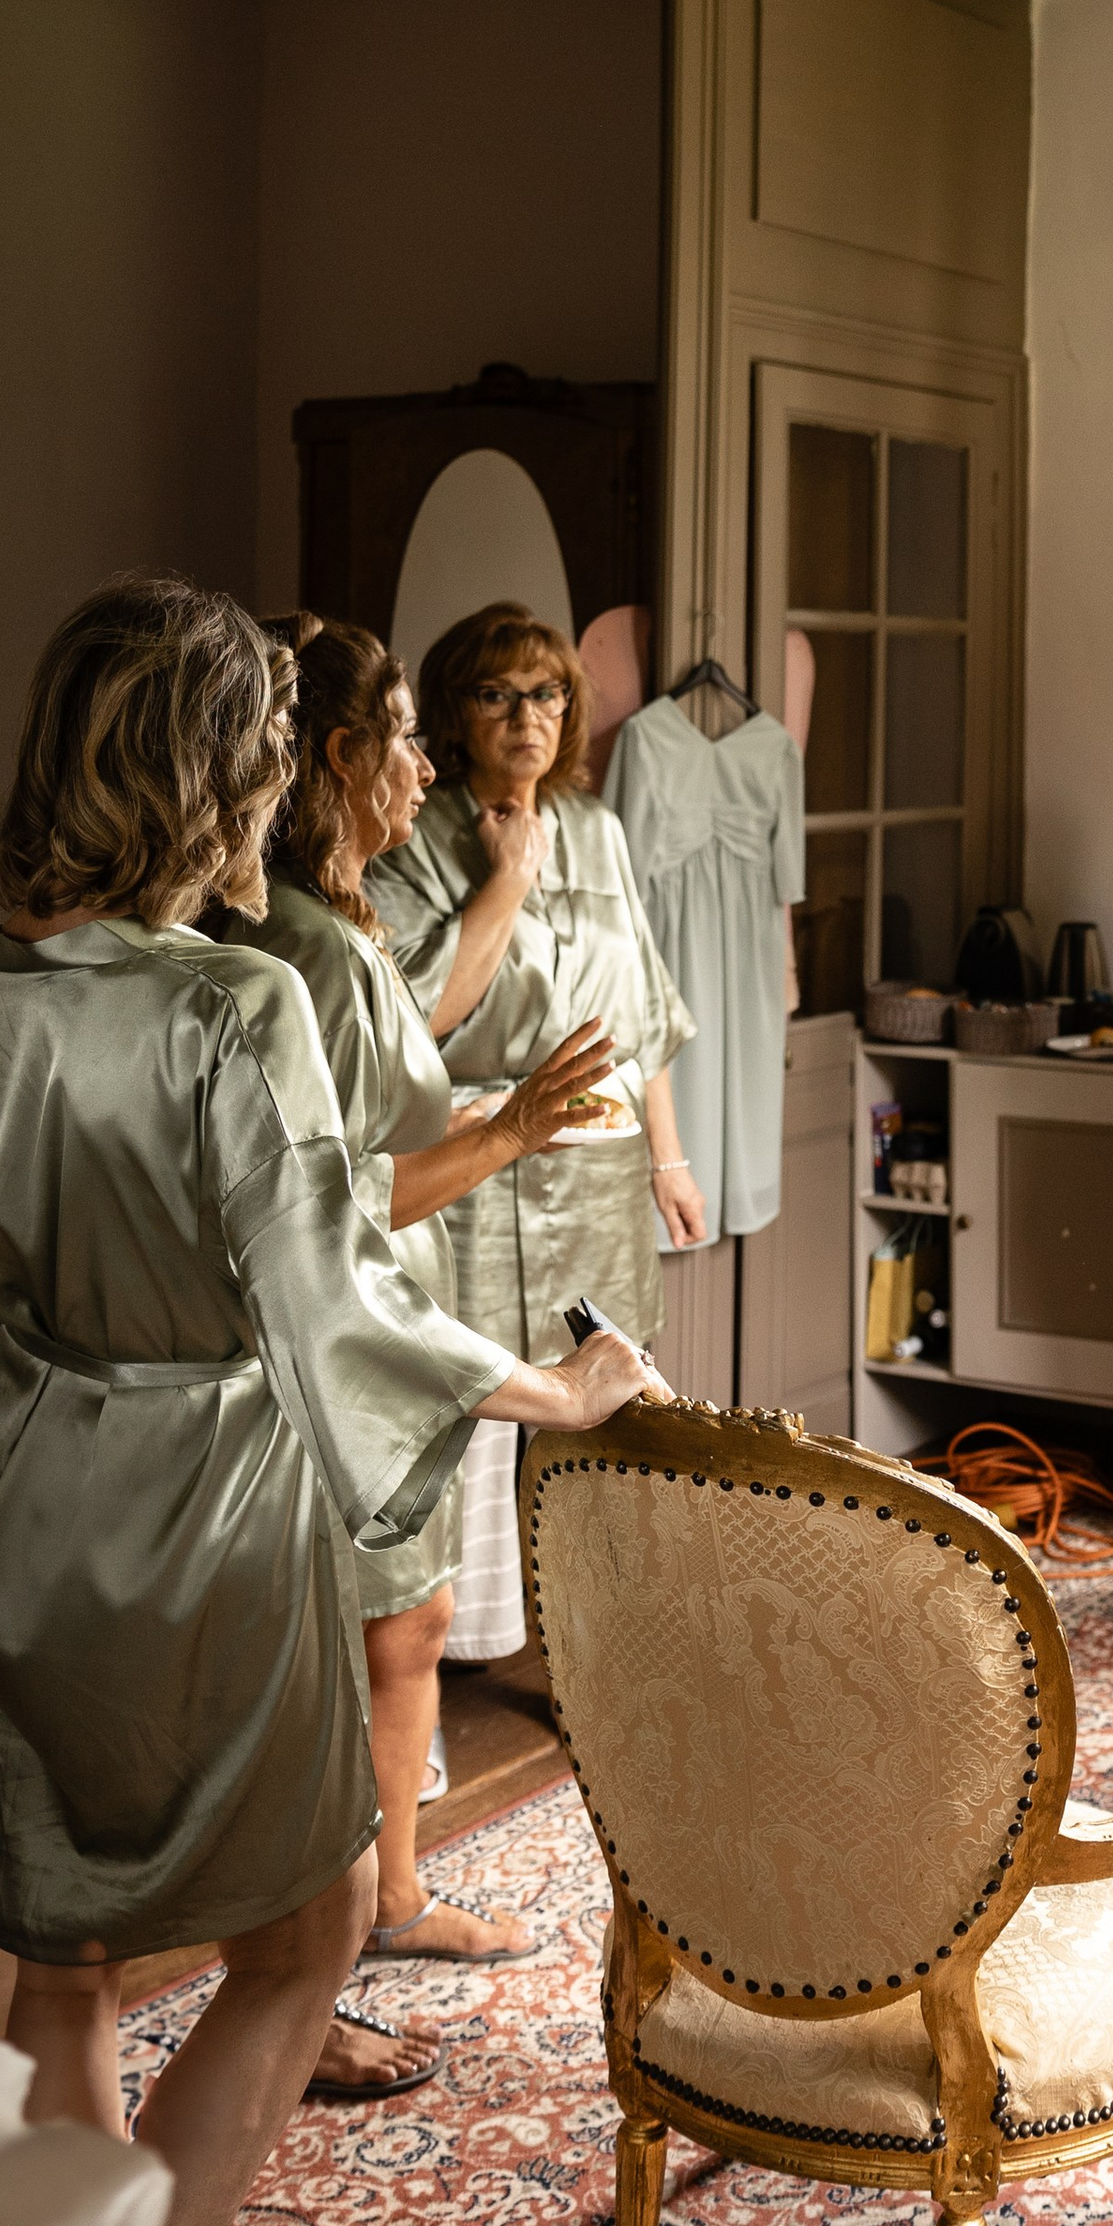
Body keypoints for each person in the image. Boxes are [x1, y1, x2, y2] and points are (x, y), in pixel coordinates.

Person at [0, 576, 655, 2226]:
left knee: (58, 1951)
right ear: (220, 776)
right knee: (308, 1935)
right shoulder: (236, 1003)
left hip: (11, 1477)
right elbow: (326, 1301)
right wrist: (551, 1392)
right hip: (196, 1490)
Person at [242, 614, 621, 2092]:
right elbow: (359, 1198)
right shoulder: (318, 950)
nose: (422, 762)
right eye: (405, 733)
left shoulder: (330, 922)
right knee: (351, 1652)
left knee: (404, 1631)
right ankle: (303, 1989)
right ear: (339, 761)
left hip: (375, 1320)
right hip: (355, 1332)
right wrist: (514, 1129)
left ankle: (385, 1903)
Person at [371, 605, 703, 1654]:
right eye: (496, 694)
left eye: (549, 693)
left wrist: (670, 1159)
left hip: (597, 1170)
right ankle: (442, 1646)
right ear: (454, 715)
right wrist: (506, 880)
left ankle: (595, 1654)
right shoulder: (414, 840)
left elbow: (638, 1013)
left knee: (602, 1408)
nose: (528, 717)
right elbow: (416, 1016)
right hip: (472, 1160)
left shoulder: (598, 830)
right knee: (472, 1401)